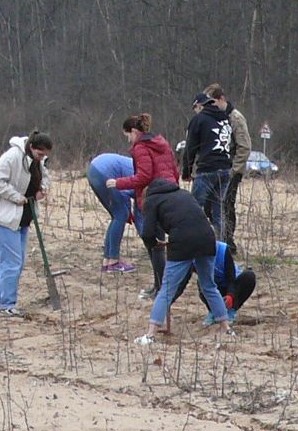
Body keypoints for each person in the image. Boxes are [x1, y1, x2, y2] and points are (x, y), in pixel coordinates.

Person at [137, 173, 231, 341]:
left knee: (166, 289)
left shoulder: (151, 200)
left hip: (182, 242)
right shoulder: (183, 194)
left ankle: (150, 334)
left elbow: (147, 232)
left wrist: (155, 243)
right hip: (207, 239)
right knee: (209, 286)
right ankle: (226, 327)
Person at [104, 114, 181, 294]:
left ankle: (161, 287)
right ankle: (160, 285)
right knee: (161, 241)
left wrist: (118, 183)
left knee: (153, 243)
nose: (129, 140)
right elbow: (175, 171)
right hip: (170, 193)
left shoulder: (140, 147)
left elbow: (144, 176)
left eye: (128, 136)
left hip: (153, 196)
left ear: (134, 131)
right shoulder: (162, 142)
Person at [0, 132, 53, 317]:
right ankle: (6, 305)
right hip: (5, 217)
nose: (42, 158)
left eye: (44, 155)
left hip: (24, 218)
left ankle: (2, 302)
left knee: (16, 261)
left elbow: (45, 177)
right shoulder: (12, 157)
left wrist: (43, 189)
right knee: (11, 262)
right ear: (31, 147)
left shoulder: (39, 160)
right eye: (40, 154)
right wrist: (15, 197)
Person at [178, 86, 235, 241]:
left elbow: (190, 148)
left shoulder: (199, 119)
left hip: (208, 169)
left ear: (199, 105)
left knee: (193, 208)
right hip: (225, 170)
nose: (195, 111)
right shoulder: (225, 118)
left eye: (194, 108)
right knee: (218, 212)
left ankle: (190, 243)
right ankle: (222, 247)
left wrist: (187, 172)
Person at [170, 240, 258, 323]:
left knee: (249, 276)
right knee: (202, 282)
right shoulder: (193, 256)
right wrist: (168, 301)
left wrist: (230, 295)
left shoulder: (223, 250)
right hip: (212, 288)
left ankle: (231, 311)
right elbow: (182, 282)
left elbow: (231, 279)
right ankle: (213, 311)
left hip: (232, 286)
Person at [87, 151, 138, 272]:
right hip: (104, 172)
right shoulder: (143, 174)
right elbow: (132, 193)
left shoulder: (139, 166)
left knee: (117, 216)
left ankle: (107, 261)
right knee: (120, 215)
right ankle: (114, 261)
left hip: (93, 169)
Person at [221, 89, 251, 244]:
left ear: (221, 99)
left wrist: (234, 170)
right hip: (222, 170)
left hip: (232, 171)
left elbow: (244, 147)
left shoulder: (236, 118)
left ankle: (228, 240)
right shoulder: (220, 118)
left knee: (227, 205)